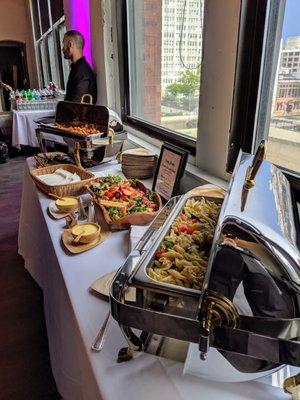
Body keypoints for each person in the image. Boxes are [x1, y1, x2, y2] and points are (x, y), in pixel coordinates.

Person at [62, 30, 97, 104]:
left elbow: (76, 105)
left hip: (79, 115)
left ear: (70, 45)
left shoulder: (82, 72)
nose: (62, 49)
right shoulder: (78, 69)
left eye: (64, 45)